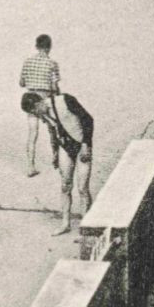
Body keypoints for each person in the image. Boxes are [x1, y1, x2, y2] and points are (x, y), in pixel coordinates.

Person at [22, 91, 95, 234]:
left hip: (81, 145)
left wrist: (87, 144)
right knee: (65, 185)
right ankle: (65, 223)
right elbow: (54, 132)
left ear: (39, 103)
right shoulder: (43, 113)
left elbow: (88, 120)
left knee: (82, 188)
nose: (37, 115)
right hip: (65, 147)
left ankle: (86, 226)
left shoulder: (65, 100)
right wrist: (55, 153)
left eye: (35, 111)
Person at [19, 35, 61, 178]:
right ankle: (56, 159)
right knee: (53, 130)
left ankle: (30, 166)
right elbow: (55, 86)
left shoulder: (28, 62)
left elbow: (22, 83)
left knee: (32, 134)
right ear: (49, 47)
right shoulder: (52, 63)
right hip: (46, 100)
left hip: (31, 101)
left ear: (36, 46)